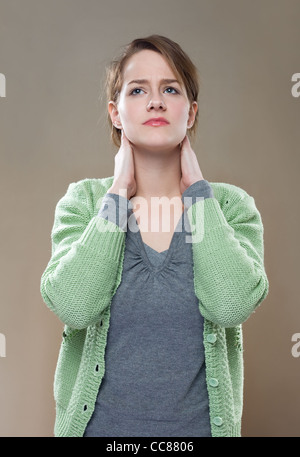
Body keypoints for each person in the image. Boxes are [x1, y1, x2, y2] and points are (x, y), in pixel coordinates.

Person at [40, 35, 269, 437]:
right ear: (115, 112)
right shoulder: (85, 201)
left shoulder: (231, 207)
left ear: (191, 112)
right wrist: (117, 192)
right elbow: (74, 307)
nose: (156, 101)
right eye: (138, 90)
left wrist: (198, 191)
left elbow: (230, 306)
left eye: (170, 89)